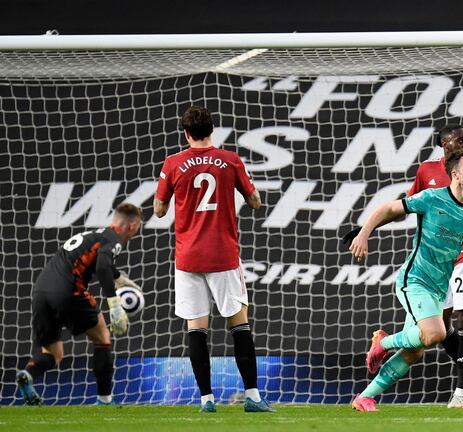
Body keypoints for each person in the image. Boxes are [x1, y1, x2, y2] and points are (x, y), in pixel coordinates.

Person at [349, 147, 463, 412]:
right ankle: (384, 343)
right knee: (436, 333)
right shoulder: (431, 198)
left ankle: (364, 397)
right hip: (414, 280)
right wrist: (364, 233)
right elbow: (389, 208)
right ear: (455, 174)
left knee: (415, 351)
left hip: (439, 287)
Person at [153, 105, 271, 413]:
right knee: (239, 324)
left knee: (196, 328)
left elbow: (159, 209)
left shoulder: (173, 163)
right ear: (212, 130)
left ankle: (206, 400)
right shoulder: (230, 160)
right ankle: (253, 397)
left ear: (186, 133)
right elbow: (256, 202)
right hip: (222, 255)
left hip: (188, 258)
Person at [405, 125, 463, 408]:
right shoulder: (426, 171)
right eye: (460, 140)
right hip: (438, 260)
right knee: (441, 325)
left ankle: (461, 391)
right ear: (445, 145)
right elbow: (413, 205)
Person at [16, 203, 143, 406]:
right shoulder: (114, 238)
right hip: (68, 289)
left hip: (41, 290)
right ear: (131, 225)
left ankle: (27, 374)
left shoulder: (94, 235)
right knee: (102, 336)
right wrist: (115, 305)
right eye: (137, 226)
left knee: (53, 355)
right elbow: (102, 266)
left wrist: (118, 277)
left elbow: (100, 263)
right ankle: (105, 399)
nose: (136, 231)